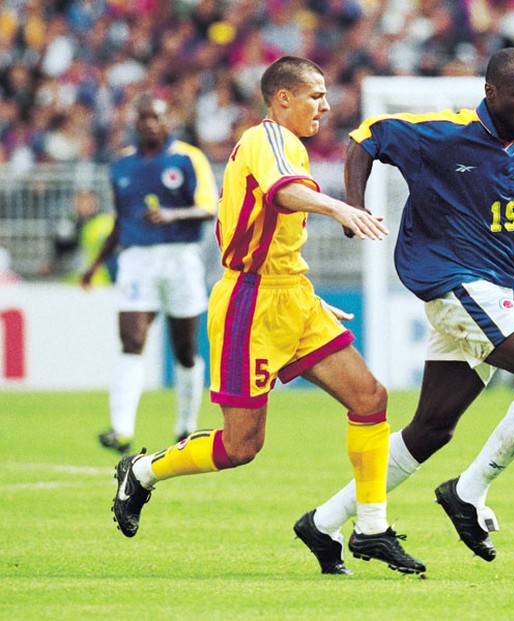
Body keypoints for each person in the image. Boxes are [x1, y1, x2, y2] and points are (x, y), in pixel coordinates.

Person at [308, 47, 514, 564]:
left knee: (431, 430)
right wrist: (353, 207)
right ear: (490, 93)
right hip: (454, 283)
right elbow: (367, 137)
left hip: (486, 292)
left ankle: (323, 522)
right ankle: (468, 491)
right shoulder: (444, 133)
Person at [110, 56, 425, 576]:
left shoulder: (288, 144)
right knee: (242, 445)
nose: (325, 105)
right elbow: (284, 192)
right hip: (248, 306)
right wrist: (340, 207)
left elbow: (276, 224)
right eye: (315, 95)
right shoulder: (269, 138)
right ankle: (142, 471)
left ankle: (371, 528)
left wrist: (306, 294)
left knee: (370, 398)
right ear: (283, 99)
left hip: (292, 296)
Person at [83, 94, 218, 455]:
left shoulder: (188, 157)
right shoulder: (122, 165)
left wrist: (173, 216)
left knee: (185, 348)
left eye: (154, 116)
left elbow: (209, 207)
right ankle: (121, 429)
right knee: (131, 341)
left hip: (180, 257)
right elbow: (120, 220)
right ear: (135, 122)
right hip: (136, 260)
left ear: (166, 120)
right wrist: (96, 264)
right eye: (142, 117)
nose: (148, 123)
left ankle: (185, 424)